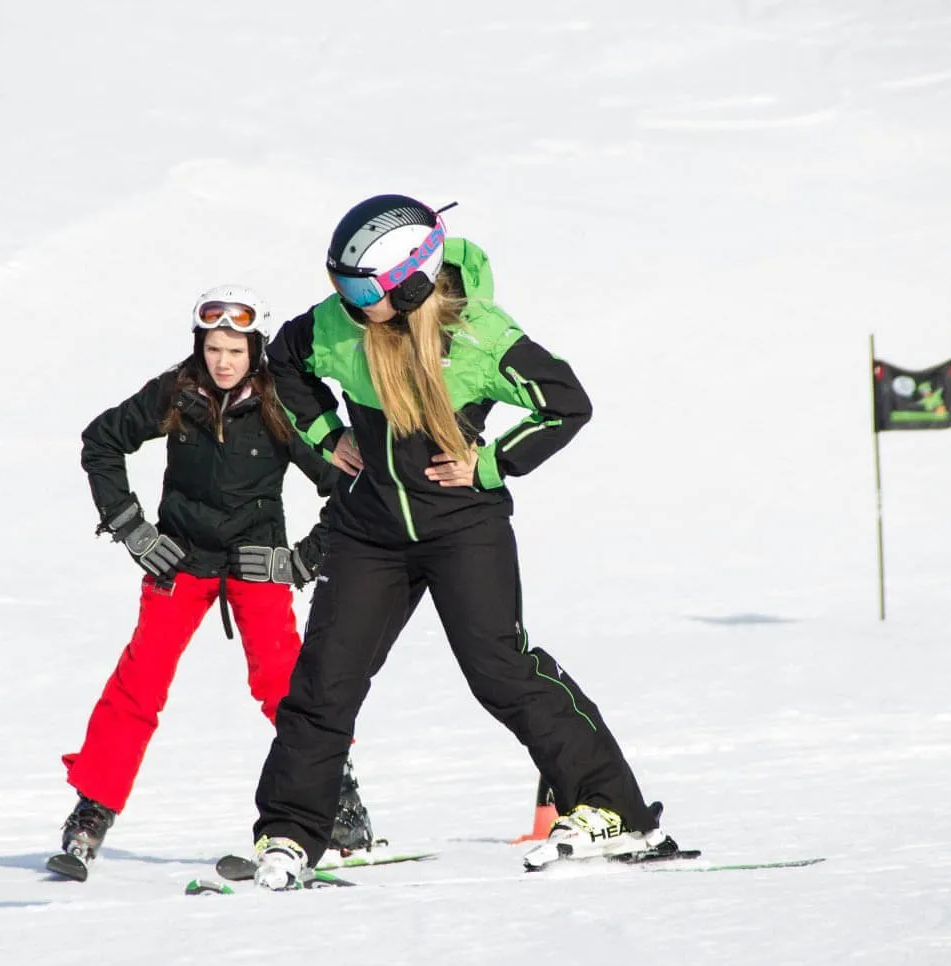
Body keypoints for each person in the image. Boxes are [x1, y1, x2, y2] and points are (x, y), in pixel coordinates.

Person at [248, 194, 669, 890]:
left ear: (412, 282)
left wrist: (491, 464)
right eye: (340, 285)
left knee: (500, 671)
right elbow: (282, 360)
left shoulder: (478, 335)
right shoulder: (338, 324)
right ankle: (290, 833)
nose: (349, 303)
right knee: (325, 680)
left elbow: (567, 403)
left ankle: (613, 810)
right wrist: (327, 435)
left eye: (363, 291)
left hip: (463, 527)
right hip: (370, 530)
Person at [50, 284, 374, 879]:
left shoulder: (280, 404)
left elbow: (349, 487)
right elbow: (101, 442)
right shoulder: (176, 392)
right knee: (139, 681)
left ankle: (338, 795)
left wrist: (302, 560)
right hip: (182, 562)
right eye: (214, 348)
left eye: (236, 351)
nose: (223, 362)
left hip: (256, 562)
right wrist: (133, 530)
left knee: (284, 682)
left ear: (257, 350)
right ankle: (91, 813)